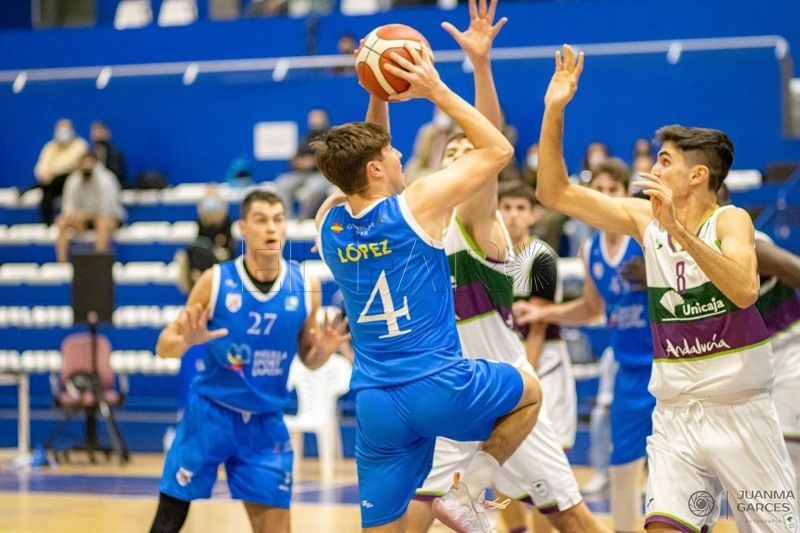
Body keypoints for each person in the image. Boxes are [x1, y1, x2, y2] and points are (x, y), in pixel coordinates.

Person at [536, 44, 798, 532]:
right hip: (676, 416)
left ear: (697, 175)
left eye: (663, 161)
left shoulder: (731, 220)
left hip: (740, 413)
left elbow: (743, 290)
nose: (651, 171)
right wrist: (554, 110)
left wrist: (679, 232)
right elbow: (553, 192)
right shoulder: (642, 218)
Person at [314, 37, 542, 532]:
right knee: (529, 393)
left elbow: (363, 156)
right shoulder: (417, 205)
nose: (399, 155)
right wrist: (434, 89)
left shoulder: (328, 222)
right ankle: (469, 493)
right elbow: (499, 148)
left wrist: (378, 88)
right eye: (391, 152)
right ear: (376, 169)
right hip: (438, 384)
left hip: (376, 402)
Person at [403, 4, 606, 532]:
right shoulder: (414, 229)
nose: (462, 159)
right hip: (445, 393)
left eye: (470, 155)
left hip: (504, 397)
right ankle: (471, 499)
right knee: (413, 518)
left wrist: (480, 66)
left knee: (570, 517)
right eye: (453, 152)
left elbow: (490, 143)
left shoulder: (478, 224)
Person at [148, 190, 348, 533]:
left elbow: (308, 359)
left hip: (264, 422)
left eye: (277, 219)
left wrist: (323, 352)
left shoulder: (305, 286)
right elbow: (163, 346)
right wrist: (186, 340)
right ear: (242, 228)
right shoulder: (216, 281)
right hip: (211, 413)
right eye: (261, 220)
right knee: (168, 521)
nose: (271, 228)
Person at [515, 158, 656, 533]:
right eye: (601, 191)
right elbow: (592, 309)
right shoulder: (591, 249)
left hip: (666, 366)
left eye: (614, 191)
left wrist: (655, 274)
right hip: (628, 369)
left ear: (627, 195)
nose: (606, 198)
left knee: (675, 466)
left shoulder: (647, 236)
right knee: (622, 467)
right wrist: (546, 313)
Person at [717, 185, 800, 489]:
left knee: (787, 468)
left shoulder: (752, 245)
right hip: (756, 369)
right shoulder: (698, 251)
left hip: (790, 359)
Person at [54, 152, 124, 262]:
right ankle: (62, 263)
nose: (87, 167)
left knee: (103, 223)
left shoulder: (106, 179)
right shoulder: (73, 180)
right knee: (61, 222)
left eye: (89, 163)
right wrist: (76, 217)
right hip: (82, 219)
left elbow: (107, 209)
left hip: (107, 218)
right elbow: (67, 207)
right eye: (84, 164)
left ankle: (100, 264)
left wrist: (86, 215)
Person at [272, 108, 332, 218]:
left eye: (318, 118)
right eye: (313, 119)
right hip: (302, 173)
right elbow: (294, 159)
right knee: (283, 183)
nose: (316, 122)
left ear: (325, 120)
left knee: (314, 188)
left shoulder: (332, 138)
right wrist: (300, 162)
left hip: (322, 173)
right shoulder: (305, 139)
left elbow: (335, 160)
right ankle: (287, 219)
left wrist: (315, 162)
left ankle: (304, 218)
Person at [34, 118, 88, 225]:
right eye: (61, 129)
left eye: (66, 129)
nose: (63, 132)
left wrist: (52, 172)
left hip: (70, 178)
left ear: (72, 130)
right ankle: (47, 223)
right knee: (46, 190)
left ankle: (68, 220)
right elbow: (41, 164)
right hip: (50, 181)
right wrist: (43, 174)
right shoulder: (50, 146)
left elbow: (71, 163)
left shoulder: (80, 144)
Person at [404, 106, 460, 182]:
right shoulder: (427, 131)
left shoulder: (460, 134)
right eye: (438, 112)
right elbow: (418, 159)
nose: (441, 115)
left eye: (445, 112)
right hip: (428, 176)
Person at [90, 120, 126, 187]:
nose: (98, 134)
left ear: (107, 133)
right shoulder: (88, 152)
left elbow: (118, 174)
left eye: (101, 131)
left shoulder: (116, 153)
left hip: (110, 186)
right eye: (96, 131)